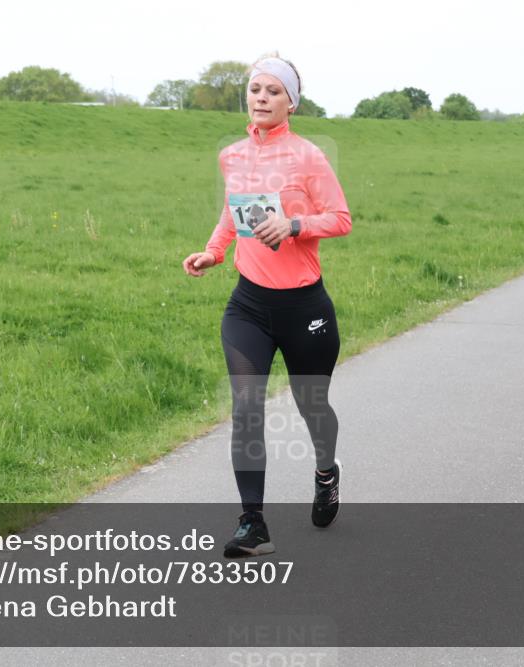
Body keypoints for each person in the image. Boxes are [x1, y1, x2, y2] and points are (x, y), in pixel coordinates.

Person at [181, 54, 352, 558]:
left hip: (304, 307)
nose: (261, 97)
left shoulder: (308, 157)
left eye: (274, 91)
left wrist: (295, 226)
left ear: (290, 102)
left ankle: (326, 473)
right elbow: (231, 211)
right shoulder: (232, 156)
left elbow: (340, 218)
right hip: (249, 305)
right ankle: (252, 523)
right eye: (256, 89)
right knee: (247, 406)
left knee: (312, 405)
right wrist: (214, 251)